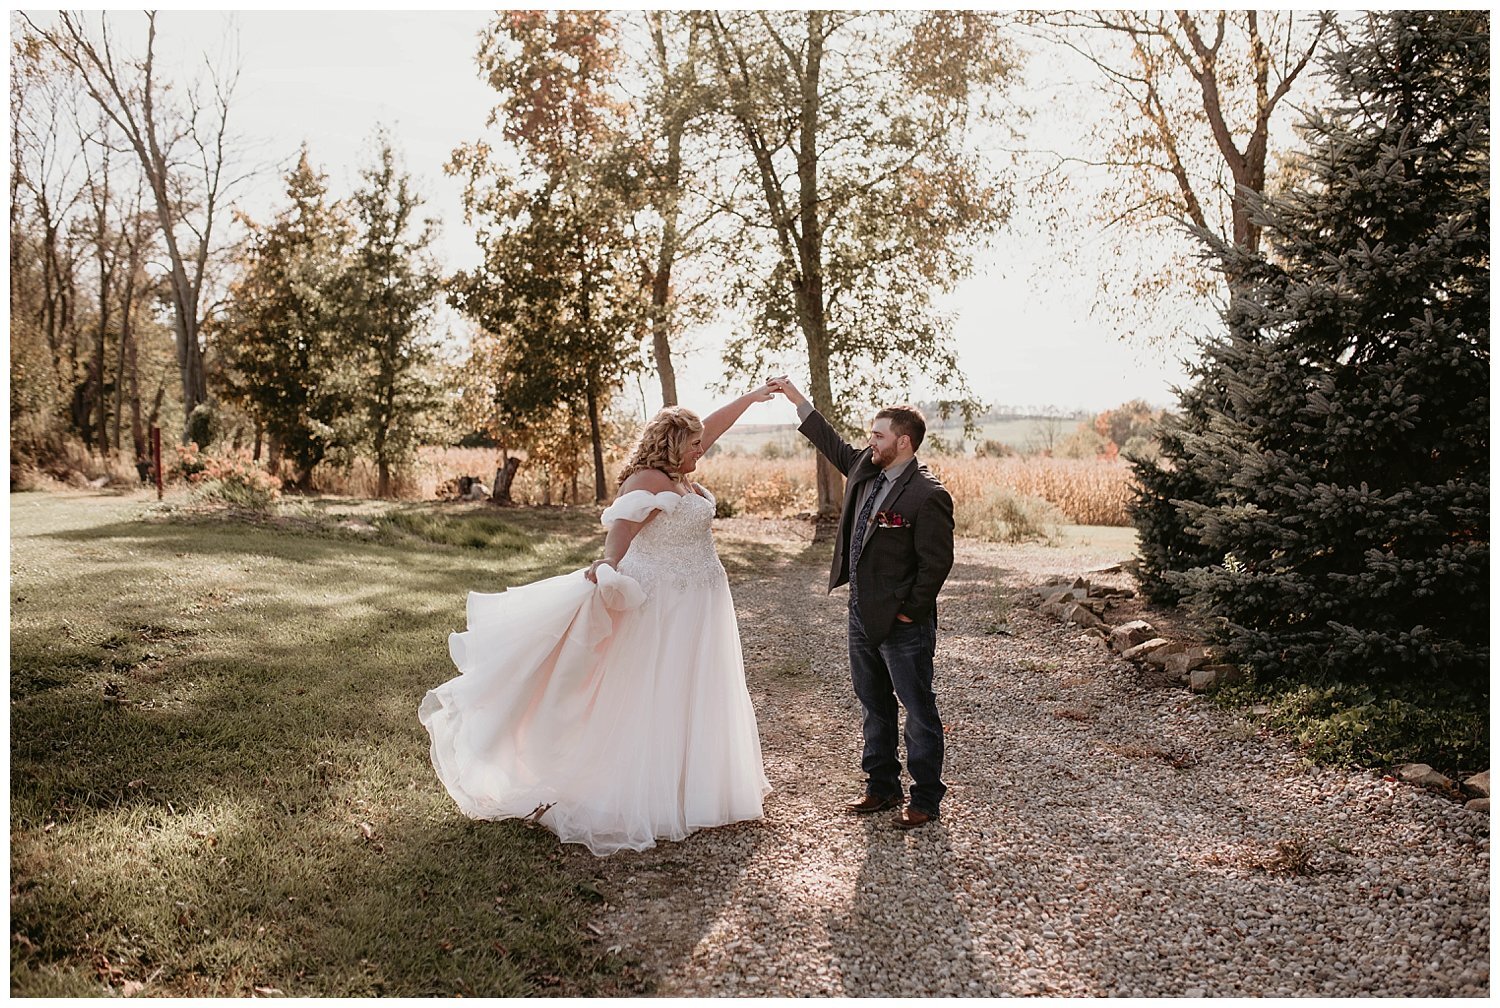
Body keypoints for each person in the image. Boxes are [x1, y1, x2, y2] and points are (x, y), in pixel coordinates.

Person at [419, 385, 778, 855]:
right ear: (673, 445)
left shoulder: (682, 471)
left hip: (702, 599)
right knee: (656, 689)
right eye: (694, 444)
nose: (702, 448)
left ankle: (695, 787)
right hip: (662, 602)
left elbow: (711, 426)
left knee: (697, 686)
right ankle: (640, 789)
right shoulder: (647, 480)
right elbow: (620, 536)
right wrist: (607, 567)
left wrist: (752, 398)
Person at [770, 377, 955, 829]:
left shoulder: (928, 495)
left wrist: (909, 611)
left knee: (917, 707)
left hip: (903, 622)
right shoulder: (865, 468)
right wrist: (797, 399)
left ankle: (925, 798)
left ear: (903, 442)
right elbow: (829, 440)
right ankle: (882, 787)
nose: (869, 441)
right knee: (873, 702)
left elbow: (936, 565)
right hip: (859, 612)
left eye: (879, 435)